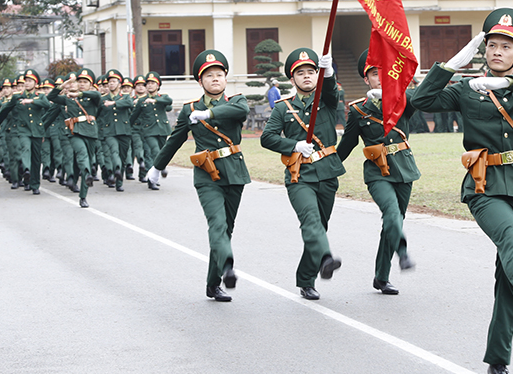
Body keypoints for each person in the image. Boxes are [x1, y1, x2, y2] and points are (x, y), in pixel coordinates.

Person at [409, 8, 513, 374]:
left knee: (509, 276)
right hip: (486, 187)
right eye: (492, 45)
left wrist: (508, 86)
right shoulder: (466, 89)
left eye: (507, 47)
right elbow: (421, 100)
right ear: (483, 50)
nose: (498, 51)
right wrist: (450, 65)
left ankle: (498, 362)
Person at [148, 50, 250, 302]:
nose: (215, 79)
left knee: (226, 228)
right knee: (217, 223)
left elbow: (238, 112)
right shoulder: (189, 110)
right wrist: (156, 166)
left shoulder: (237, 101)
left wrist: (209, 114)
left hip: (234, 172)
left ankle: (212, 284)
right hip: (207, 174)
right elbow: (174, 141)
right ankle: (227, 266)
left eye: (219, 74)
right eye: (209, 76)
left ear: (226, 79)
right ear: (200, 81)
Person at [261, 47, 344, 301]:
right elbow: (267, 138)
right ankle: (327, 258)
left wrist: (327, 72)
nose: (307, 76)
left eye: (311, 71)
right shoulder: (283, 107)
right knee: (311, 221)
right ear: (292, 79)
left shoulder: (327, 100)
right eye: (301, 73)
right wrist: (293, 145)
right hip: (300, 176)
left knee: (320, 226)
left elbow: (331, 91)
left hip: (327, 173)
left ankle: (306, 279)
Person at [337, 49, 419, 295]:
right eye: (374, 74)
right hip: (377, 172)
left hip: (404, 169)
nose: (380, 78)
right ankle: (403, 254)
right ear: (366, 79)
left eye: (385, 72)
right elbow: (347, 144)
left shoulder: (403, 101)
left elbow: (428, 92)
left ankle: (381, 277)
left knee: (392, 223)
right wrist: (327, 167)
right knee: (391, 213)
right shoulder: (358, 111)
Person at [48, 69, 102, 208]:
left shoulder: (92, 96)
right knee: (82, 154)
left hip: (90, 132)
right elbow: (51, 97)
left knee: (87, 162)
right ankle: (87, 173)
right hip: (74, 131)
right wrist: (63, 85)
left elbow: (97, 94)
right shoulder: (68, 98)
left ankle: (83, 196)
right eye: (80, 82)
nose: (82, 84)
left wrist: (80, 93)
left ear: (90, 85)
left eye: (85, 82)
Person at [132, 71, 173, 188]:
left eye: (153, 83)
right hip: (148, 131)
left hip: (162, 129)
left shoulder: (163, 98)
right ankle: (159, 170)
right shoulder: (142, 100)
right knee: (154, 151)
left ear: (158, 85)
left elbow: (169, 101)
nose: (150, 85)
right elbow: (133, 117)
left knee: (161, 150)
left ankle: (153, 178)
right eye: (148, 83)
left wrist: (154, 100)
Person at [99, 69, 134, 190]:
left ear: (119, 84)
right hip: (109, 131)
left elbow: (129, 104)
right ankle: (117, 169)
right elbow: (97, 112)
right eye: (109, 82)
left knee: (123, 156)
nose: (111, 84)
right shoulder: (103, 98)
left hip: (124, 130)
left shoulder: (125, 97)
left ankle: (119, 182)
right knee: (114, 151)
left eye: (114, 81)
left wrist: (113, 103)